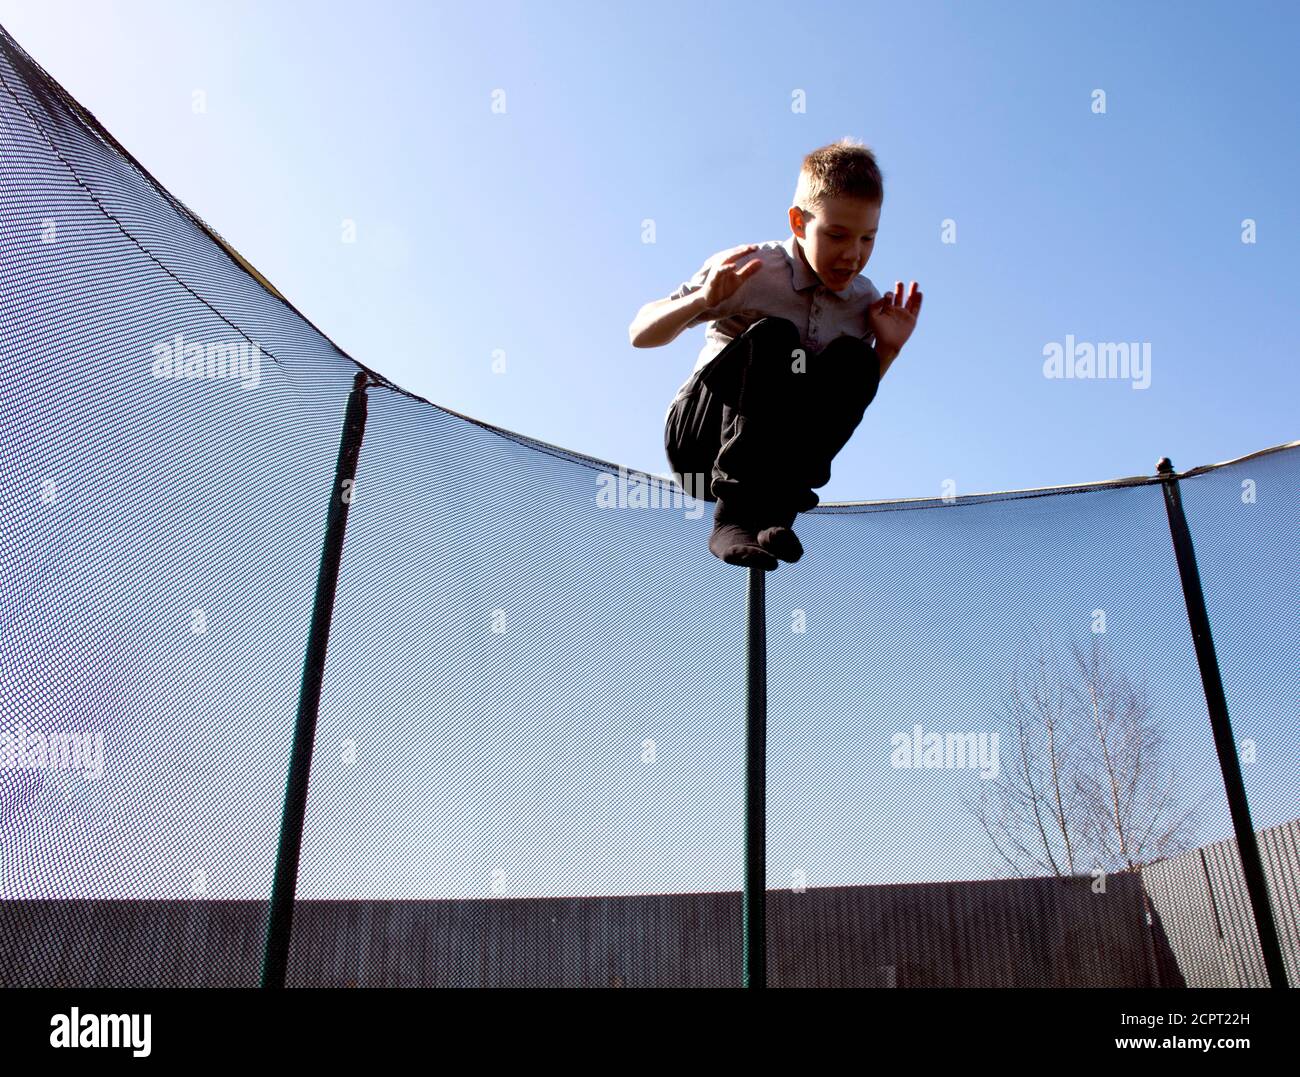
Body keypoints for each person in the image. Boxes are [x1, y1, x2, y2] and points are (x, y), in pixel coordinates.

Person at [628, 137, 923, 569]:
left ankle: (774, 517)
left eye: (867, 239)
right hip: (700, 444)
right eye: (837, 235)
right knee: (776, 338)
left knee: (854, 361)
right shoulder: (753, 269)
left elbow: (840, 408)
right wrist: (702, 300)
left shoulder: (864, 304)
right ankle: (731, 520)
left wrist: (889, 349)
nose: (853, 255)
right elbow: (640, 333)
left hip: (772, 461)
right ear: (799, 223)